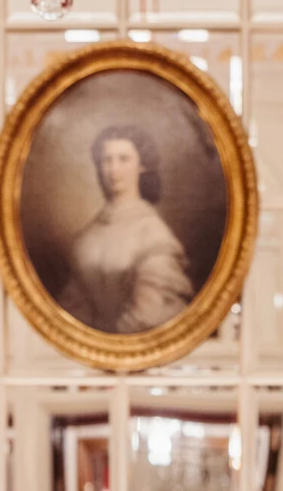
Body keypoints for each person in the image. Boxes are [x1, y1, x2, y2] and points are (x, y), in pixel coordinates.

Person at [56, 124, 194, 334]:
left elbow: (150, 315)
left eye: (123, 159)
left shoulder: (153, 234)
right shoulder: (85, 238)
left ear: (142, 165)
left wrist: (108, 345)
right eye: (107, 160)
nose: (114, 169)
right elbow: (73, 311)